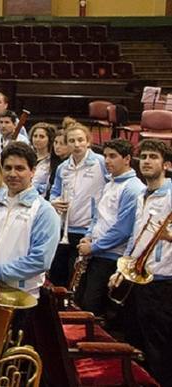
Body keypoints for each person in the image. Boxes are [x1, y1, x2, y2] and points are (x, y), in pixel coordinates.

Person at [109, 139, 172, 385]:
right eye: (144, 156)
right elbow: (136, 237)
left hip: (163, 280)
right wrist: (122, 269)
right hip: (138, 277)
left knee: (160, 347)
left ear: (166, 164)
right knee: (136, 342)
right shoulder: (142, 195)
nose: (146, 161)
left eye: (153, 157)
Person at [0, 141, 61, 300]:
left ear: (33, 171)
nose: (12, 174)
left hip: (20, 296)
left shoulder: (44, 211)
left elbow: (40, 260)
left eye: (20, 168)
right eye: (8, 168)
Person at [75, 139, 144, 318]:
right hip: (97, 253)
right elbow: (98, 216)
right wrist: (88, 235)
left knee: (92, 309)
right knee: (80, 302)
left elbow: (123, 230)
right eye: (105, 156)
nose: (107, 161)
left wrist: (93, 247)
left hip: (111, 257)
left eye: (113, 156)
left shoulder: (133, 188)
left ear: (127, 159)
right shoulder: (110, 183)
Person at [48, 123, 107, 287]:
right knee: (57, 275)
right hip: (64, 229)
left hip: (86, 230)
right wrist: (54, 202)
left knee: (75, 279)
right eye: (72, 141)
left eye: (81, 140)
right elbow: (54, 191)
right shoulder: (62, 168)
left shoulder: (101, 163)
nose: (77, 144)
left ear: (88, 141)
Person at [29, 122, 57, 196]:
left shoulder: (53, 161)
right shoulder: (26, 157)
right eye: (35, 136)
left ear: (49, 139)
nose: (37, 139)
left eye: (42, 137)